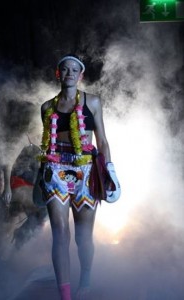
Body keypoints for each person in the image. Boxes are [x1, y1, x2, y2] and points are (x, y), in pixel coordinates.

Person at [39, 54, 121, 300]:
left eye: (75, 70)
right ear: (58, 73)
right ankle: (65, 295)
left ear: (81, 75)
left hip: (86, 170)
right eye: (65, 69)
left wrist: (110, 172)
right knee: (60, 233)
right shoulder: (46, 107)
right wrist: (39, 173)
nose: (70, 73)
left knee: (83, 237)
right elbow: (48, 144)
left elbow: (103, 140)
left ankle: (85, 274)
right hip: (56, 172)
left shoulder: (92, 102)